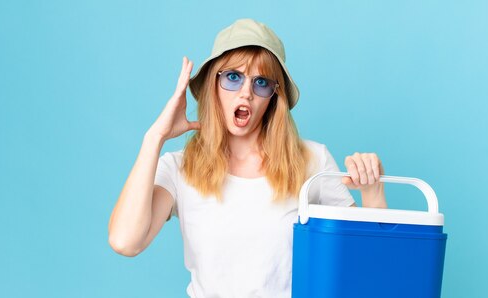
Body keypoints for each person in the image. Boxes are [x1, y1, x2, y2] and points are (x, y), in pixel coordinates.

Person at [108, 18, 387, 297]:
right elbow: (125, 241)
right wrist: (154, 138)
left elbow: (372, 263)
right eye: (233, 77)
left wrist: (372, 191)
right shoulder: (179, 167)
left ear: (274, 96)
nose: (246, 93)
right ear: (212, 85)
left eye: (261, 82)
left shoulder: (312, 160)